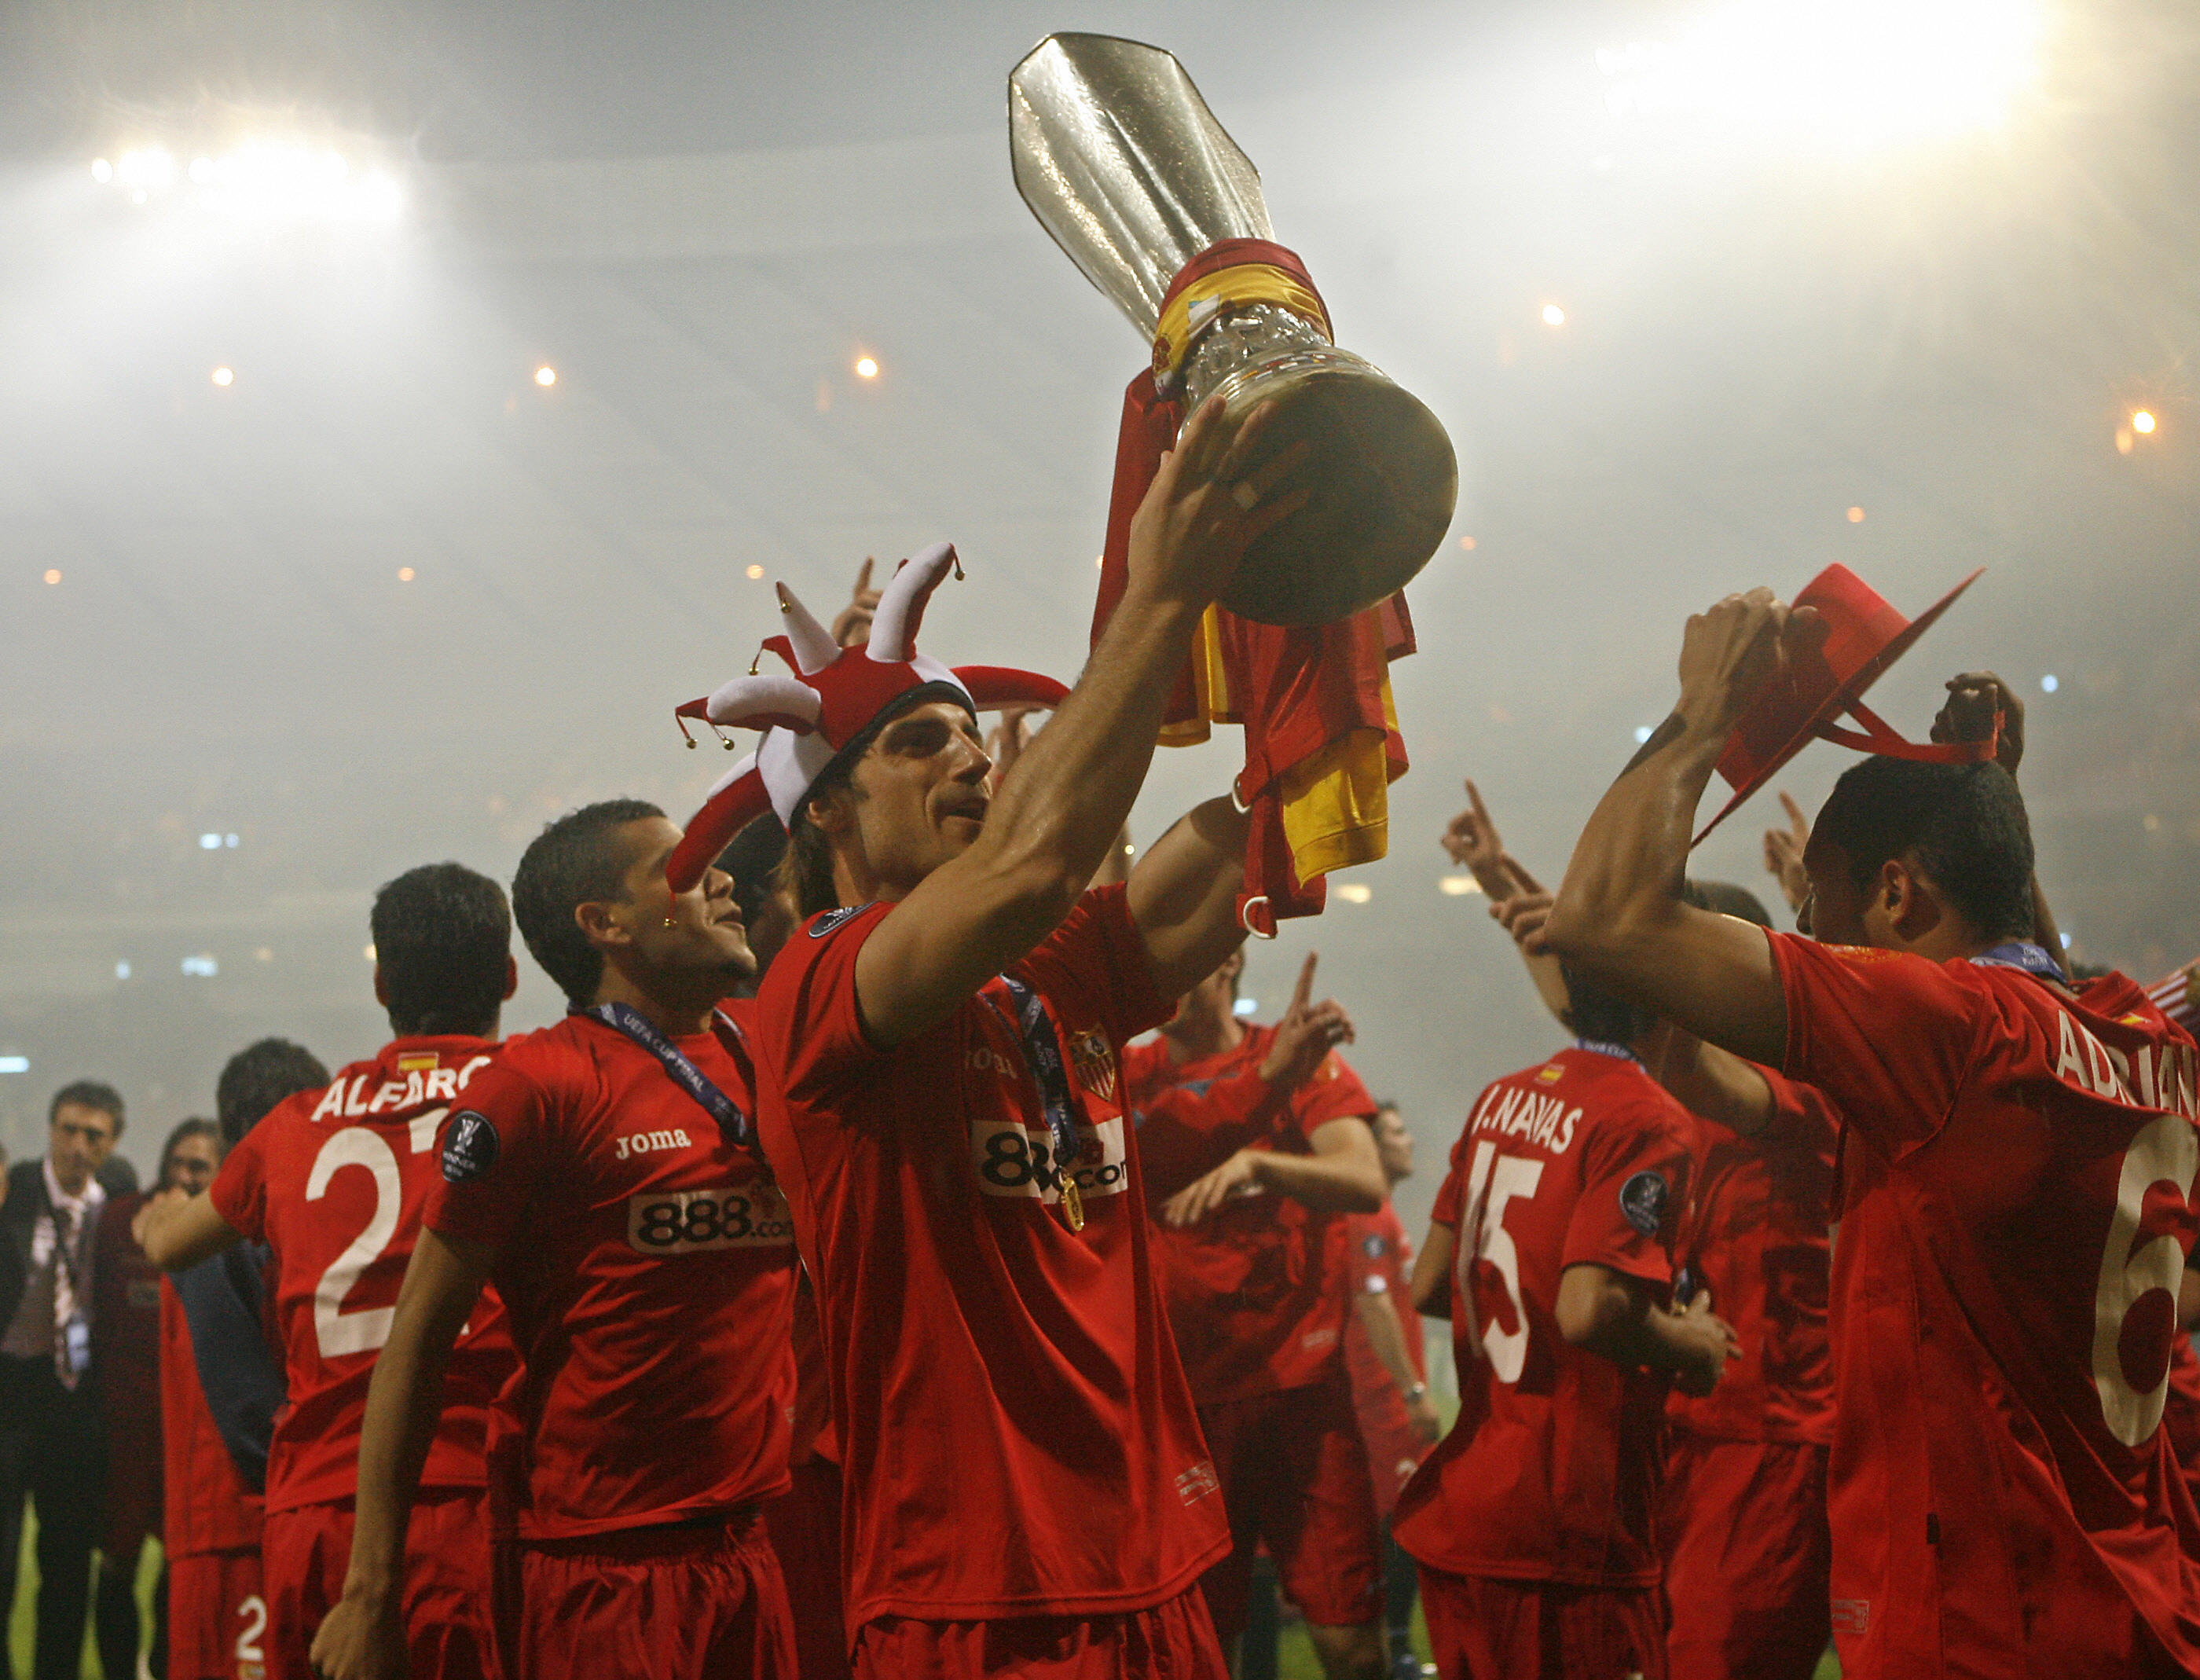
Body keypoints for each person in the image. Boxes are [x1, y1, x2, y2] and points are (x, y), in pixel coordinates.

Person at [744, 397, 1313, 1678]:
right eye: (915, 742)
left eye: (966, 734)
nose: (967, 757)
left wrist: (1311, 627)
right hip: (980, 1600)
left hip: (1151, 1567)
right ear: (827, 817)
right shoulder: (821, 985)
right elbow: (1029, 864)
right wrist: (1159, 599)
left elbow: (1240, 833)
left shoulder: (1052, 969)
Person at [1541, 597, 2200, 1676]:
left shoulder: (1949, 1035)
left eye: (1818, 899)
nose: (1805, 931)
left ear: (1896, 892)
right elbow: (2030, 969)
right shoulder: (2134, 1030)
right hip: (2138, 1592)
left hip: (1986, 1622)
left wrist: (1703, 711)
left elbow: (1603, 922)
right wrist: (1991, 805)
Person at [312, 801, 794, 1680]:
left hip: (754, 1546)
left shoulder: (776, 1047)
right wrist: (371, 1590)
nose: (722, 878)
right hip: (603, 1565)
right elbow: (417, 1336)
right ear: (603, 922)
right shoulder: (537, 1084)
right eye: (683, 868)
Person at [138, 864, 524, 1680]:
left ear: (382, 981)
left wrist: (154, 1219)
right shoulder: (536, 1090)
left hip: (316, 1509)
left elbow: (172, 1245)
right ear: (510, 976)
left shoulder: (293, 1124)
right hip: (471, 1494)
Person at [1393, 914, 1736, 1680]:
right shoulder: (1646, 1118)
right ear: (1660, 999)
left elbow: (1431, 1282)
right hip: (1563, 1530)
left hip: (1466, 1511)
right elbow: (1590, 1308)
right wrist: (1693, 1342)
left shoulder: (1501, 1098)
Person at [1124, 948, 1388, 1678]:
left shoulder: (1292, 1056)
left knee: (1348, 1642)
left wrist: (1259, 1164)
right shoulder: (1132, 1076)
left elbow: (1363, 1178)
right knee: (1203, 1642)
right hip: (1185, 1408)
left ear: (1229, 958)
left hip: (1300, 1396)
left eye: (1183, 955)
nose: (1166, 977)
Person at [1, 1080, 128, 1680]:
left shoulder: (118, 1205)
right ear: (51, 1129)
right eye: (69, 1130)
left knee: (68, 1566)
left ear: (112, 1143)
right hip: (8, 1394)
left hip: (77, 1404)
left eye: (93, 1135)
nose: (78, 1145)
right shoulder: (14, 1190)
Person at [93, 1117, 221, 1680]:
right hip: (125, 1431)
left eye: (200, 1166)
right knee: (117, 1565)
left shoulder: (230, 1227)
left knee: (181, 1571)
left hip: (192, 1440)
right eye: (179, 1161)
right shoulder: (123, 1222)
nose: (185, 1175)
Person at [1339, 1103, 1442, 1680]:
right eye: (1398, 1132)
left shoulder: (1381, 1210)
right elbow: (1373, 1302)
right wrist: (1413, 1390)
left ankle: (1392, 1644)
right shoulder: (1369, 1213)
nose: (1408, 1141)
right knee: (1400, 1518)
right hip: (1379, 1400)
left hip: (1382, 1399)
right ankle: (1393, 1645)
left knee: (1398, 1517)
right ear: (1373, 1147)